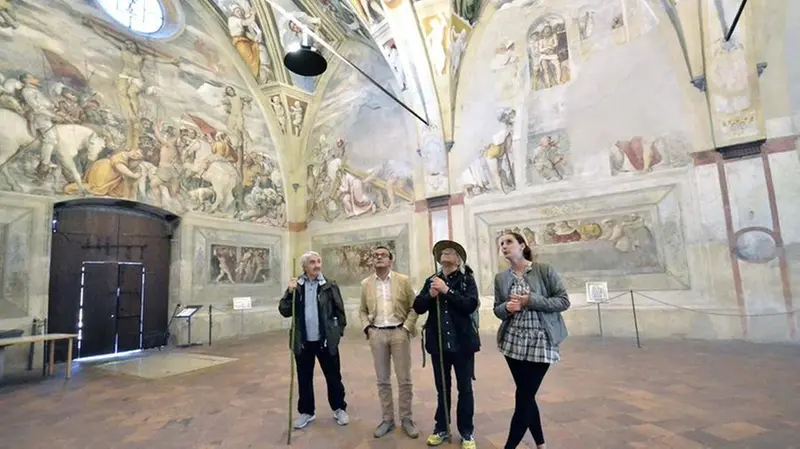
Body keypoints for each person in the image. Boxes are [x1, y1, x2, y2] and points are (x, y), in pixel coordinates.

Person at [493, 232, 570, 449]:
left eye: (509, 242)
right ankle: (540, 444)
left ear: (522, 245)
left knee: (524, 397)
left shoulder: (543, 270)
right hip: (513, 342)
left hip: (541, 341)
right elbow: (497, 310)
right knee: (526, 395)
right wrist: (506, 308)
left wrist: (530, 300)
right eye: (501, 244)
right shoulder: (501, 278)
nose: (504, 246)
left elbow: (563, 301)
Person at [413, 240, 480, 449]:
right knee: (442, 388)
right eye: (443, 251)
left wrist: (446, 291)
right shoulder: (431, 280)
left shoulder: (467, 280)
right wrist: (431, 295)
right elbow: (418, 306)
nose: (446, 253)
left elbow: (470, 305)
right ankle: (441, 427)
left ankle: (466, 432)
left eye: (451, 251)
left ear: (458, 260)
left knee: (465, 389)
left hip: (462, 345)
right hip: (439, 345)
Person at [278, 251, 349, 429]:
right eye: (312, 262)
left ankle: (339, 408)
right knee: (304, 378)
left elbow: (340, 312)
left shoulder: (329, 285)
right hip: (303, 341)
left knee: (333, 377)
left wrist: (336, 334)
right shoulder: (297, 286)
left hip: (325, 341)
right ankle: (306, 412)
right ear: (304, 266)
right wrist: (289, 292)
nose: (317, 265)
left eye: (318, 261)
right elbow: (284, 310)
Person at [359, 246, 420, 438]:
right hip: (377, 334)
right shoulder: (366, 284)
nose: (378, 258)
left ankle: (407, 419)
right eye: (375, 255)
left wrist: (407, 328)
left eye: (383, 255)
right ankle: (387, 420)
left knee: (404, 380)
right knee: (383, 380)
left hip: (399, 333)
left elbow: (414, 306)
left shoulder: (402, 280)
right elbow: (361, 310)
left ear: (390, 260)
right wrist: (367, 328)